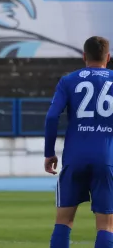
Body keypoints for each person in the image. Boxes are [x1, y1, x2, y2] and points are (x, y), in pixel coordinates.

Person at [44, 36, 113, 248]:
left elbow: (52, 117)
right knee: (106, 225)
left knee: (64, 220)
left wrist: (49, 153)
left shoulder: (68, 80)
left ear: (84, 56)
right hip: (106, 158)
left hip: (74, 157)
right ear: (108, 57)